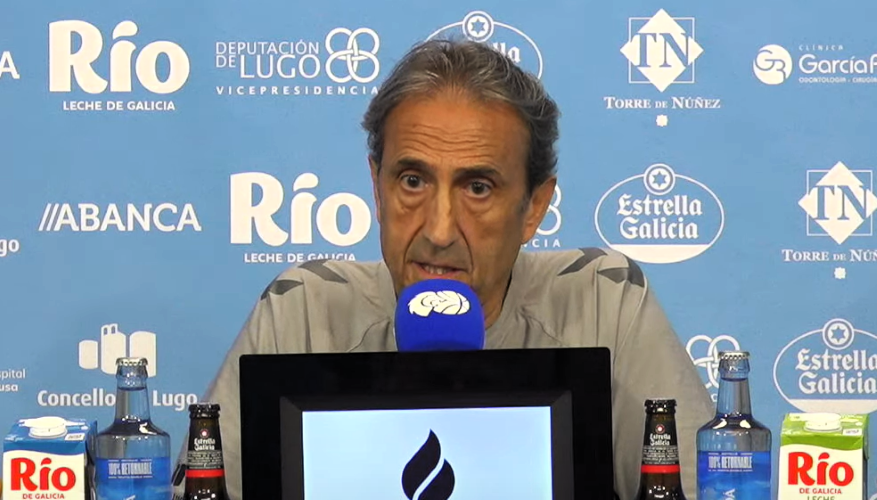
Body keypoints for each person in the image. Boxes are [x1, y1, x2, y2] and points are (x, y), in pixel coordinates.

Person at [174, 39, 714, 500]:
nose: (438, 229)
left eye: (477, 187)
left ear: (534, 207)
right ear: (377, 187)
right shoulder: (304, 311)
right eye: (412, 181)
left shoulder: (603, 303)